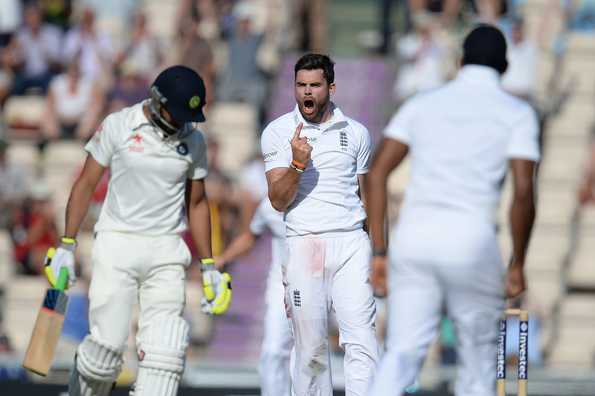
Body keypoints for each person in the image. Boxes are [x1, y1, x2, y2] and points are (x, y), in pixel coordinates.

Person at [366, 25, 540, 396]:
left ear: (461, 61)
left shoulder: (423, 102)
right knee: (476, 367)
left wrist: (379, 250)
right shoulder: (517, 113)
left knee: (400, 356)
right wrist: (518, 262)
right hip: (472, 242)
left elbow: (377, 171)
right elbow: (523, 191)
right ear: (505, 66)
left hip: (414, 239)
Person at [42, 65, 232, 396]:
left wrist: (209, 266)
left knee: (165, 355)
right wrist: (66, 245)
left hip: (167, 251)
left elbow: (198, 203)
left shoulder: (194, 141)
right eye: (175, 113)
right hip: (118, 245)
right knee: (104, 354)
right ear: (157, 102)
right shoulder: (119, 125)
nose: (180, 122)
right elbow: (86, 184)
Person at [261, 53, 378, 396]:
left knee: (362, 340)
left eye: (314, 85)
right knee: (311, 349)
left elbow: (367, 197)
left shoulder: (356, 132)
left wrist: (379, 252)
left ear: (331, 87)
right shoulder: (278, 132)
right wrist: (297, 164)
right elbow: (278, 200)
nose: (306, 93)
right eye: (300, 85)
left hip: (351, 243)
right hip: (304, 244)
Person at [214, 197, 292, 396]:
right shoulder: (268, 206)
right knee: (273, 351)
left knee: (313, 352)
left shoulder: (321, 200)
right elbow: (250, 236)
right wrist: (223, 259)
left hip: (324, 282)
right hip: (281, 287)